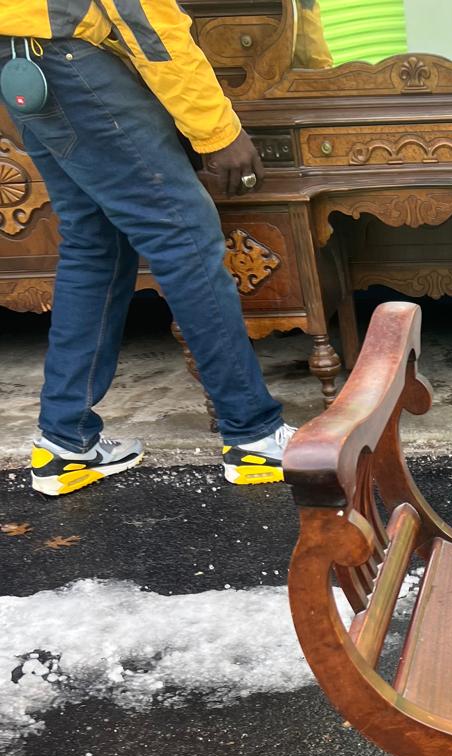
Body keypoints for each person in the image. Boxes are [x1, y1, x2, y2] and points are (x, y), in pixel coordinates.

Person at [1, 0, 295, 494]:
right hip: (72, 63)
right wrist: (217, 132)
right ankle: (255, 436)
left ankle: (66, 444)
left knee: (95, 241)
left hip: (23, 64)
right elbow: (143, 16)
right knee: (183, 236)